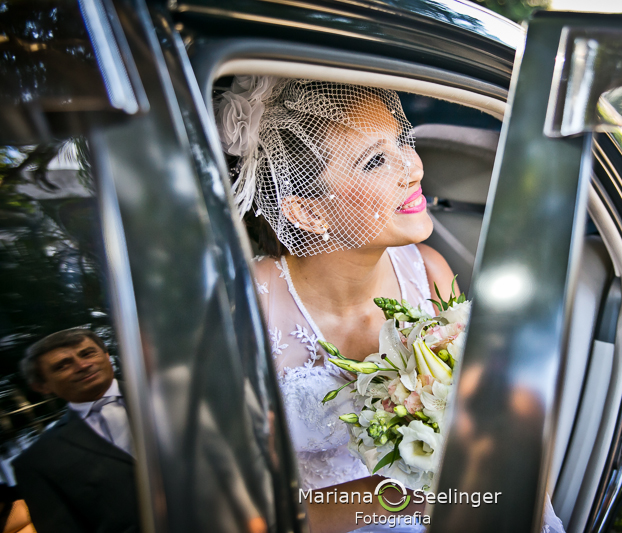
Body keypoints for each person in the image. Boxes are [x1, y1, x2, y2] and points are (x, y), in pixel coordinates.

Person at [217, 77, 564, 533]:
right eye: (376, 160)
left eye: (404, 140)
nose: (414, 169)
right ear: (307, 211)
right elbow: (246, 512)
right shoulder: (248, 308)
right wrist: (409, 496)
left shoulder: (431, 272)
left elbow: (505, 425)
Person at [12, 328, 139, 533]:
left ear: (107, 355)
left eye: (88, 353)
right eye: (63, 365)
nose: (82, 365)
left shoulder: (176, 397)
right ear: (42, 386)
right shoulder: (37, 462)